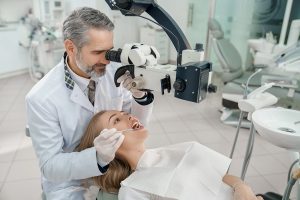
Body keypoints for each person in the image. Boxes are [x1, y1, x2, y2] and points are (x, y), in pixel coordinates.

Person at [25, 7, 154, 200]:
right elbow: (50, 166)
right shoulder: (41, 98)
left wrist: (141, 98)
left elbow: (133, 123)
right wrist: (97, 158)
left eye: (109, 51)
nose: (107, 60)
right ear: (71, 47)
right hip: (69, 183)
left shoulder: (114, 71)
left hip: (116, 169)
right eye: (98, 52)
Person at [76, 110, 264, 200]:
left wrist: (242, 187)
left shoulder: (178, 150)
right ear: (107, 141)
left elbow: (221, 176)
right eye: (117, 120)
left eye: (126, 114)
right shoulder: (132, 190)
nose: (129, 117)